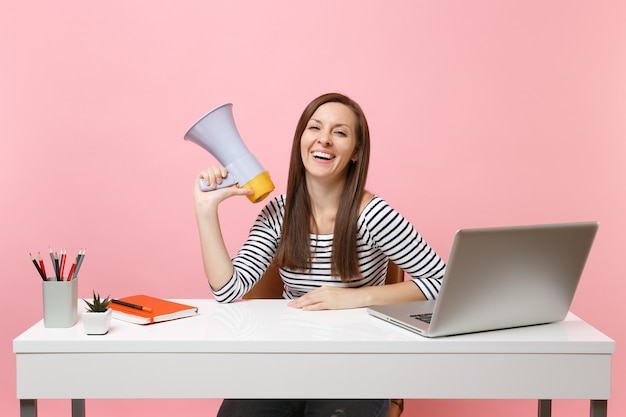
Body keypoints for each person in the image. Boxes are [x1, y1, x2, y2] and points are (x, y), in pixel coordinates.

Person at [193, 93, 446, 417]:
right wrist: (205, 209)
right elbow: (228, 290)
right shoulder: (279, 213)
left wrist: (353, 298)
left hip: (356, 366)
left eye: (339, 132)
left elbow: (442, 283)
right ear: (302, 139)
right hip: (285, 362)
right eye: (315, 128)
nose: (323, 139)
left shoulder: (371, 214)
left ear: (355, 152)